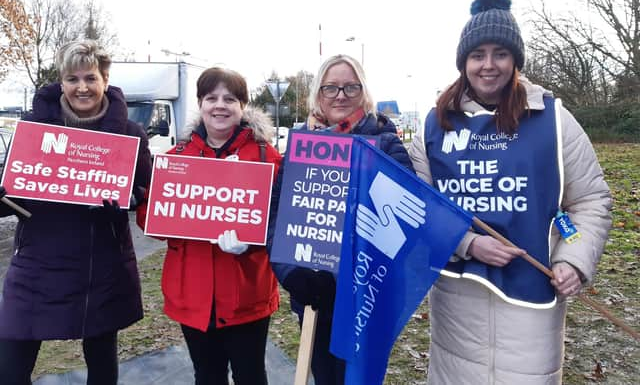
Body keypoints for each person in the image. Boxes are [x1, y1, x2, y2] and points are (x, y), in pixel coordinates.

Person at [409, 0, 612, 384]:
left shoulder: (554, 119)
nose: (488, 65)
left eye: (499, 54)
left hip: (532, 300)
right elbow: (420, 209)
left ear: (515, 60)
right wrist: (467, 244)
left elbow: (589, 199)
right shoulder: (435, 125)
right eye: (477, 55)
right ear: (463, 62)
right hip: (458, 302)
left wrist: (573, 259)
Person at [0, 39, 152, 385]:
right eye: (72, 79)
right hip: (37, 264)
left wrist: (128, 200)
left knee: (101, 366)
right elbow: (12, 197)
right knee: (9, 371)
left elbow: (148, 193)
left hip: (99, 266)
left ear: (105, 81)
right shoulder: (33, 129)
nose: (82, 87)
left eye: (91, 78)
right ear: (61, 82)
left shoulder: (130, 134)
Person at [269, 54, 415, 385]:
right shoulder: (301, 147)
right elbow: (277, 217)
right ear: (318, 94)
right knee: (325, 376)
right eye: (331, 87)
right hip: (314, 294)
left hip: (368, 293)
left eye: (350, 87)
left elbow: (407, 218)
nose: (340, 95)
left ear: (363, 92)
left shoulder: (385, 142)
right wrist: (293, 273)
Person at [136, 67, 281, 385]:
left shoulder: (265, 157)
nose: (220, 105)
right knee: (208, 375)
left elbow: (281, 223)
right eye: (211, 97)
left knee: (251, 375)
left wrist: (254, 242)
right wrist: (149, 203)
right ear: (200, 104)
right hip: (194, 293)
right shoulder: (178, 157)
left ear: (242, 106)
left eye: (230, 98)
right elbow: (152, 222)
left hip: (247, 293)